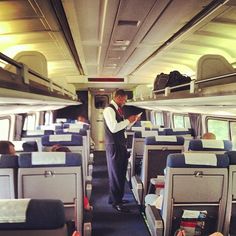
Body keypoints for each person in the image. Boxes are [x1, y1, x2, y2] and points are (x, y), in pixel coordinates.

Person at [103, 89, 140, 213]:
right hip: (114, 146)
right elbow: (113, 128)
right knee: (116, 174)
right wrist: (128, 121)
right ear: (118, 97)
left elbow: (121, 128)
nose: (125, 102)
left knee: (120, 173)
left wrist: (132, 121)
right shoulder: (109, 110)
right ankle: (116, 202)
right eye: (124, 99)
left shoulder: (118, 110)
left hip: (120, 144)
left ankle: (115, 198)